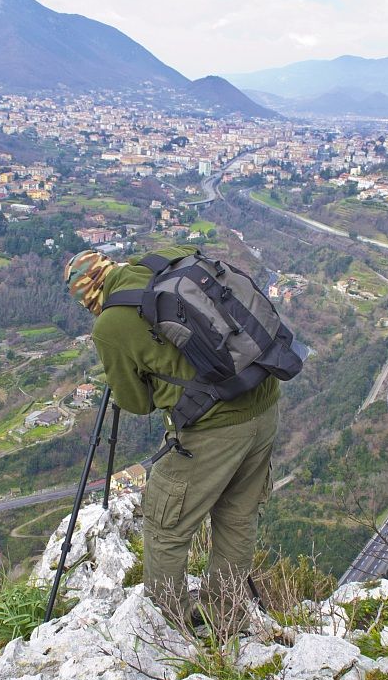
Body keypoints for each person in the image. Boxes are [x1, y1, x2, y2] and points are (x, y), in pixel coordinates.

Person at [63, 246, 279, 626]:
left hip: (213, 429)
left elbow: (136, 402)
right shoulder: (168, 260)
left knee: (165, 524)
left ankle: (168, 624)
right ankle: (226, 615)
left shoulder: (110, 325)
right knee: (237, 516)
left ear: (88, 299)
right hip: (263, 399)